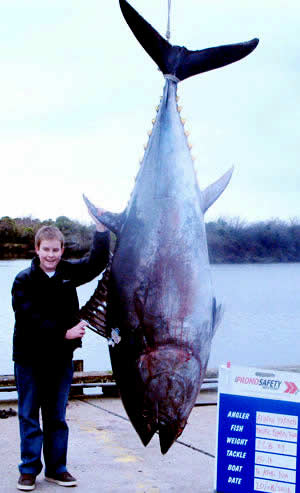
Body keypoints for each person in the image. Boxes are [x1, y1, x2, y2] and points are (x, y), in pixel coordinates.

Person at [11, 212, 109, 491]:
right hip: (29, 358)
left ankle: (57, 469)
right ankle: (28, 470)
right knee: (29, 414)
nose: (51, 255)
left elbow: (96, 263)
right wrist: (62, 333)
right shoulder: (23, 280)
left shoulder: (68, 272)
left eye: (56, 250)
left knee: (56, 417)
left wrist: (101, 230)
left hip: (60, 359)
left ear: (62, 250)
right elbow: (28, 318)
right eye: (46, 249)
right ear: (37, 248)